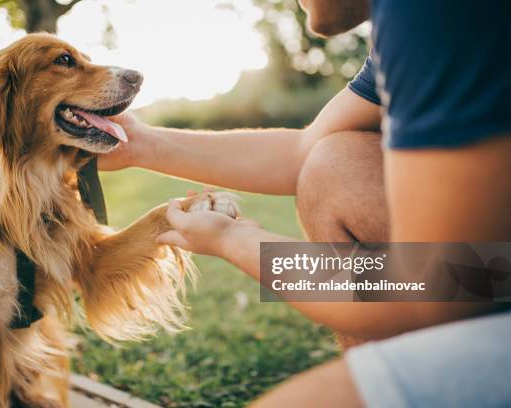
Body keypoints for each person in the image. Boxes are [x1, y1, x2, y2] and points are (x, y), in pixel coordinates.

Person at [99, 0, 511, 406]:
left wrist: (235, 240)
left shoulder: (437, 12)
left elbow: (444, 283)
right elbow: (304, 151)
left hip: (468, 282)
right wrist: (139, 144)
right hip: (487, 275)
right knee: (335, 164)